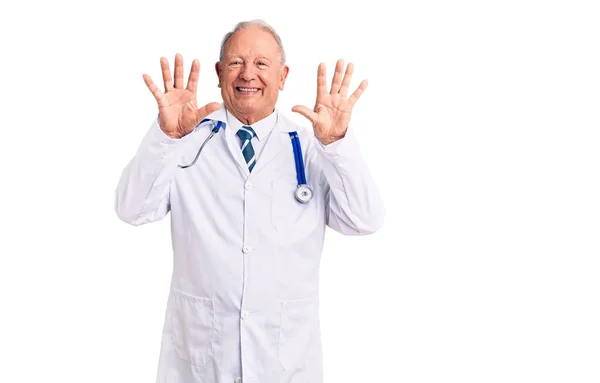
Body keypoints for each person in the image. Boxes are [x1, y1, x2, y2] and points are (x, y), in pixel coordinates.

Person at [114, 19, 384, 383]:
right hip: (200, 363)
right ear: (220, 72)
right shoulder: (186, 142)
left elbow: (364, 219)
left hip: (286, 364)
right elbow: (132, 209)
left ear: (283, 75)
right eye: (237, 62)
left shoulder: (309, 146)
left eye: (261, 64)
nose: (248, 74)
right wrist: (166, 137)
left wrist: (337, 145)